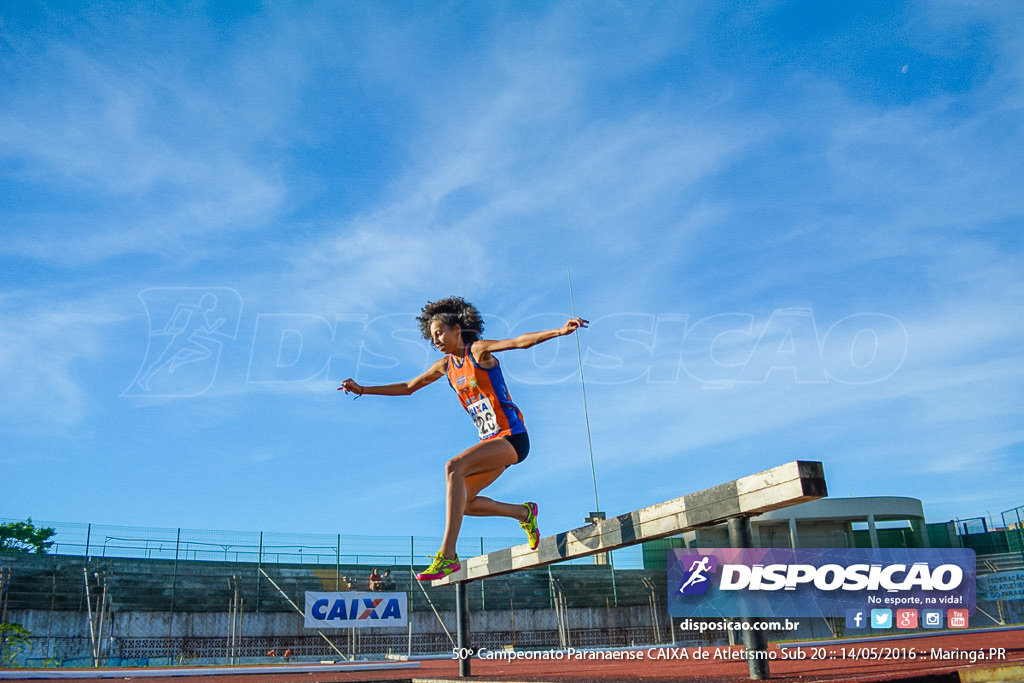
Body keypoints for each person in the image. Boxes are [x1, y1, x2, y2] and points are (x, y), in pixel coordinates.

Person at [339, 296, 587, 581]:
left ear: (457, 328)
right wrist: (363, 390)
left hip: (513, 438)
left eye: (439, 333)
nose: (436, 340)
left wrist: (559, 331)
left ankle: (447, 555)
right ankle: (523, 513)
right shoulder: (445, 366)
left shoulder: (478, 352)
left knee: (453, 467)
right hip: (490, 444)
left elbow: (519, 342)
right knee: (464, 503)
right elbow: (409, 387)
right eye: (432, 337)